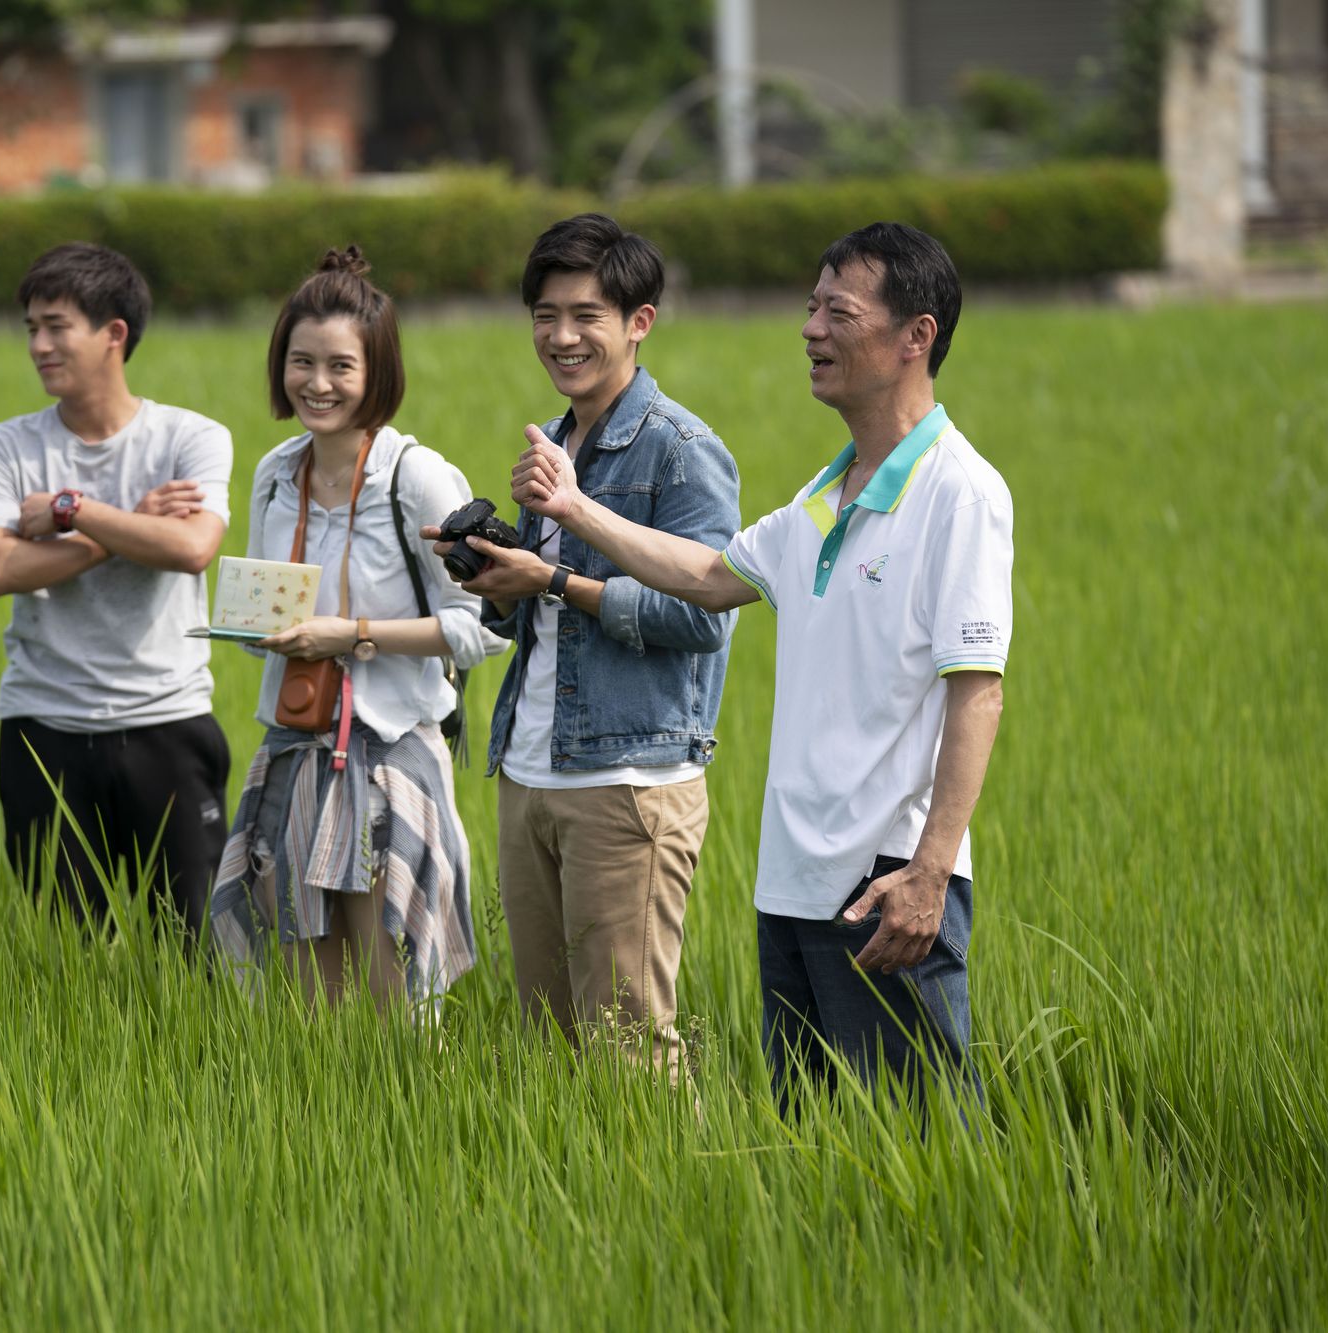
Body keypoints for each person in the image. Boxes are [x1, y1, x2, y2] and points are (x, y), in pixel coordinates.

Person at [509, 222, 1012, 1103]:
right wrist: (575, 513)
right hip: (791, 879)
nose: (811, 329)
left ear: (915, 336)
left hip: (884, 879)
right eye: (811, 307)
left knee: (919, 1145)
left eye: (837, 312)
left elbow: (977, 694)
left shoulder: (957, 490)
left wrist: (930, 871)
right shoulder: (827, 492)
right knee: (811, 1139)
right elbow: (707, 577)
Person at [425, 213, 742, 1073]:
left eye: (585, 315)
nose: (561, 336)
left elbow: (704, 616)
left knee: (628, 1045)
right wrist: (493, 575)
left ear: (639, 321)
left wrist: (557, 577)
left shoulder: (682, 450)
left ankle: (675, 1199)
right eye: (543, 315)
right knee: (550, 1043)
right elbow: (534, 615)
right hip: (531, 771)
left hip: (628, 781)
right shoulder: (552, 443)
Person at [208, 246, 506, 1009]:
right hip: (295, 745)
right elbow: (274, 599)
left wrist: (351, 635)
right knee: (306, 990)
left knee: (394, 985)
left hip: (390, 747)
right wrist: (255, 628)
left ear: (377, 371)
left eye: (340, 366)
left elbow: (485, 624)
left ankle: (411, 1120)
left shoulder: (416, 477)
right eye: (300, 362)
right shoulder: (277, 471)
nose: (317, 383)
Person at [0, 241, 233, 937]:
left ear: (115, 333)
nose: (39, 345)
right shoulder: (2, 448)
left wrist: (69, 511)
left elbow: (192, 547)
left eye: (57, 326)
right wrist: (128, 525)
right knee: (70, 954)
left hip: (167, 721)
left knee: (196, 947)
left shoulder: (190, 438)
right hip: (43, 727)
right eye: (31, 328)